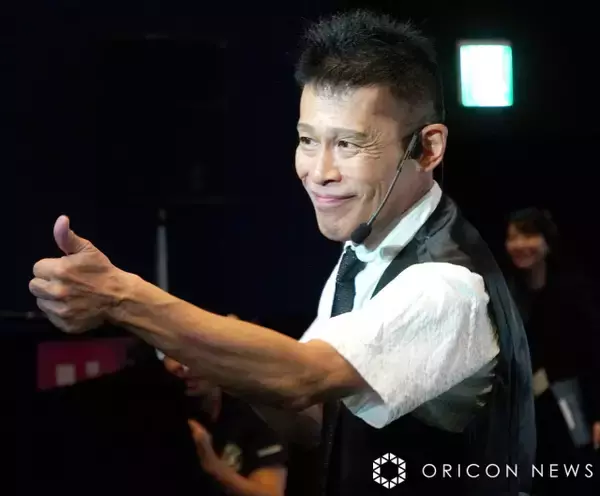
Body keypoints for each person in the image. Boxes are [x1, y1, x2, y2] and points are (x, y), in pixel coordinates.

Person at [29, 10, 535, 495]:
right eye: (307, 140)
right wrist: (209, 352)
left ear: (428, 148)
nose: (319, 171)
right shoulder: (365, 252)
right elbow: (312, 419)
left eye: (349, 145)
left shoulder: (447, 285)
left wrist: (121, 297)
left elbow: (303, 378)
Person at [505, 207, 600, 495]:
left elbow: (593, 355)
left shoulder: (574, 290)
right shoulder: (506, 293)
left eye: (528, 235)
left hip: (570, 405)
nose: (519, 244)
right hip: (522, 414)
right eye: (512, 237)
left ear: (547, 242)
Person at [162, 354, 288, 496]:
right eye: (173, 355)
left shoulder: (252, 419)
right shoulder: (155, 413)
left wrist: (215, 467)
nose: (184, 367)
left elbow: (271, 493)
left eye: (195, 354)